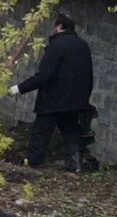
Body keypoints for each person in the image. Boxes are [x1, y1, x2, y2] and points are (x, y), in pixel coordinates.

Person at [9, 11, 96, 172]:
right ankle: (77, 164)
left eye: (54, 25)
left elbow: (44, 75)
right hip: (76, 101)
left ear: (59, 27)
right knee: (71, 131)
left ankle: (32, 165)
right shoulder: (83, 45)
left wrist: (18, 88)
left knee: (40, 134)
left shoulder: (56, 46)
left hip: (53, 100)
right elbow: (88, 74)